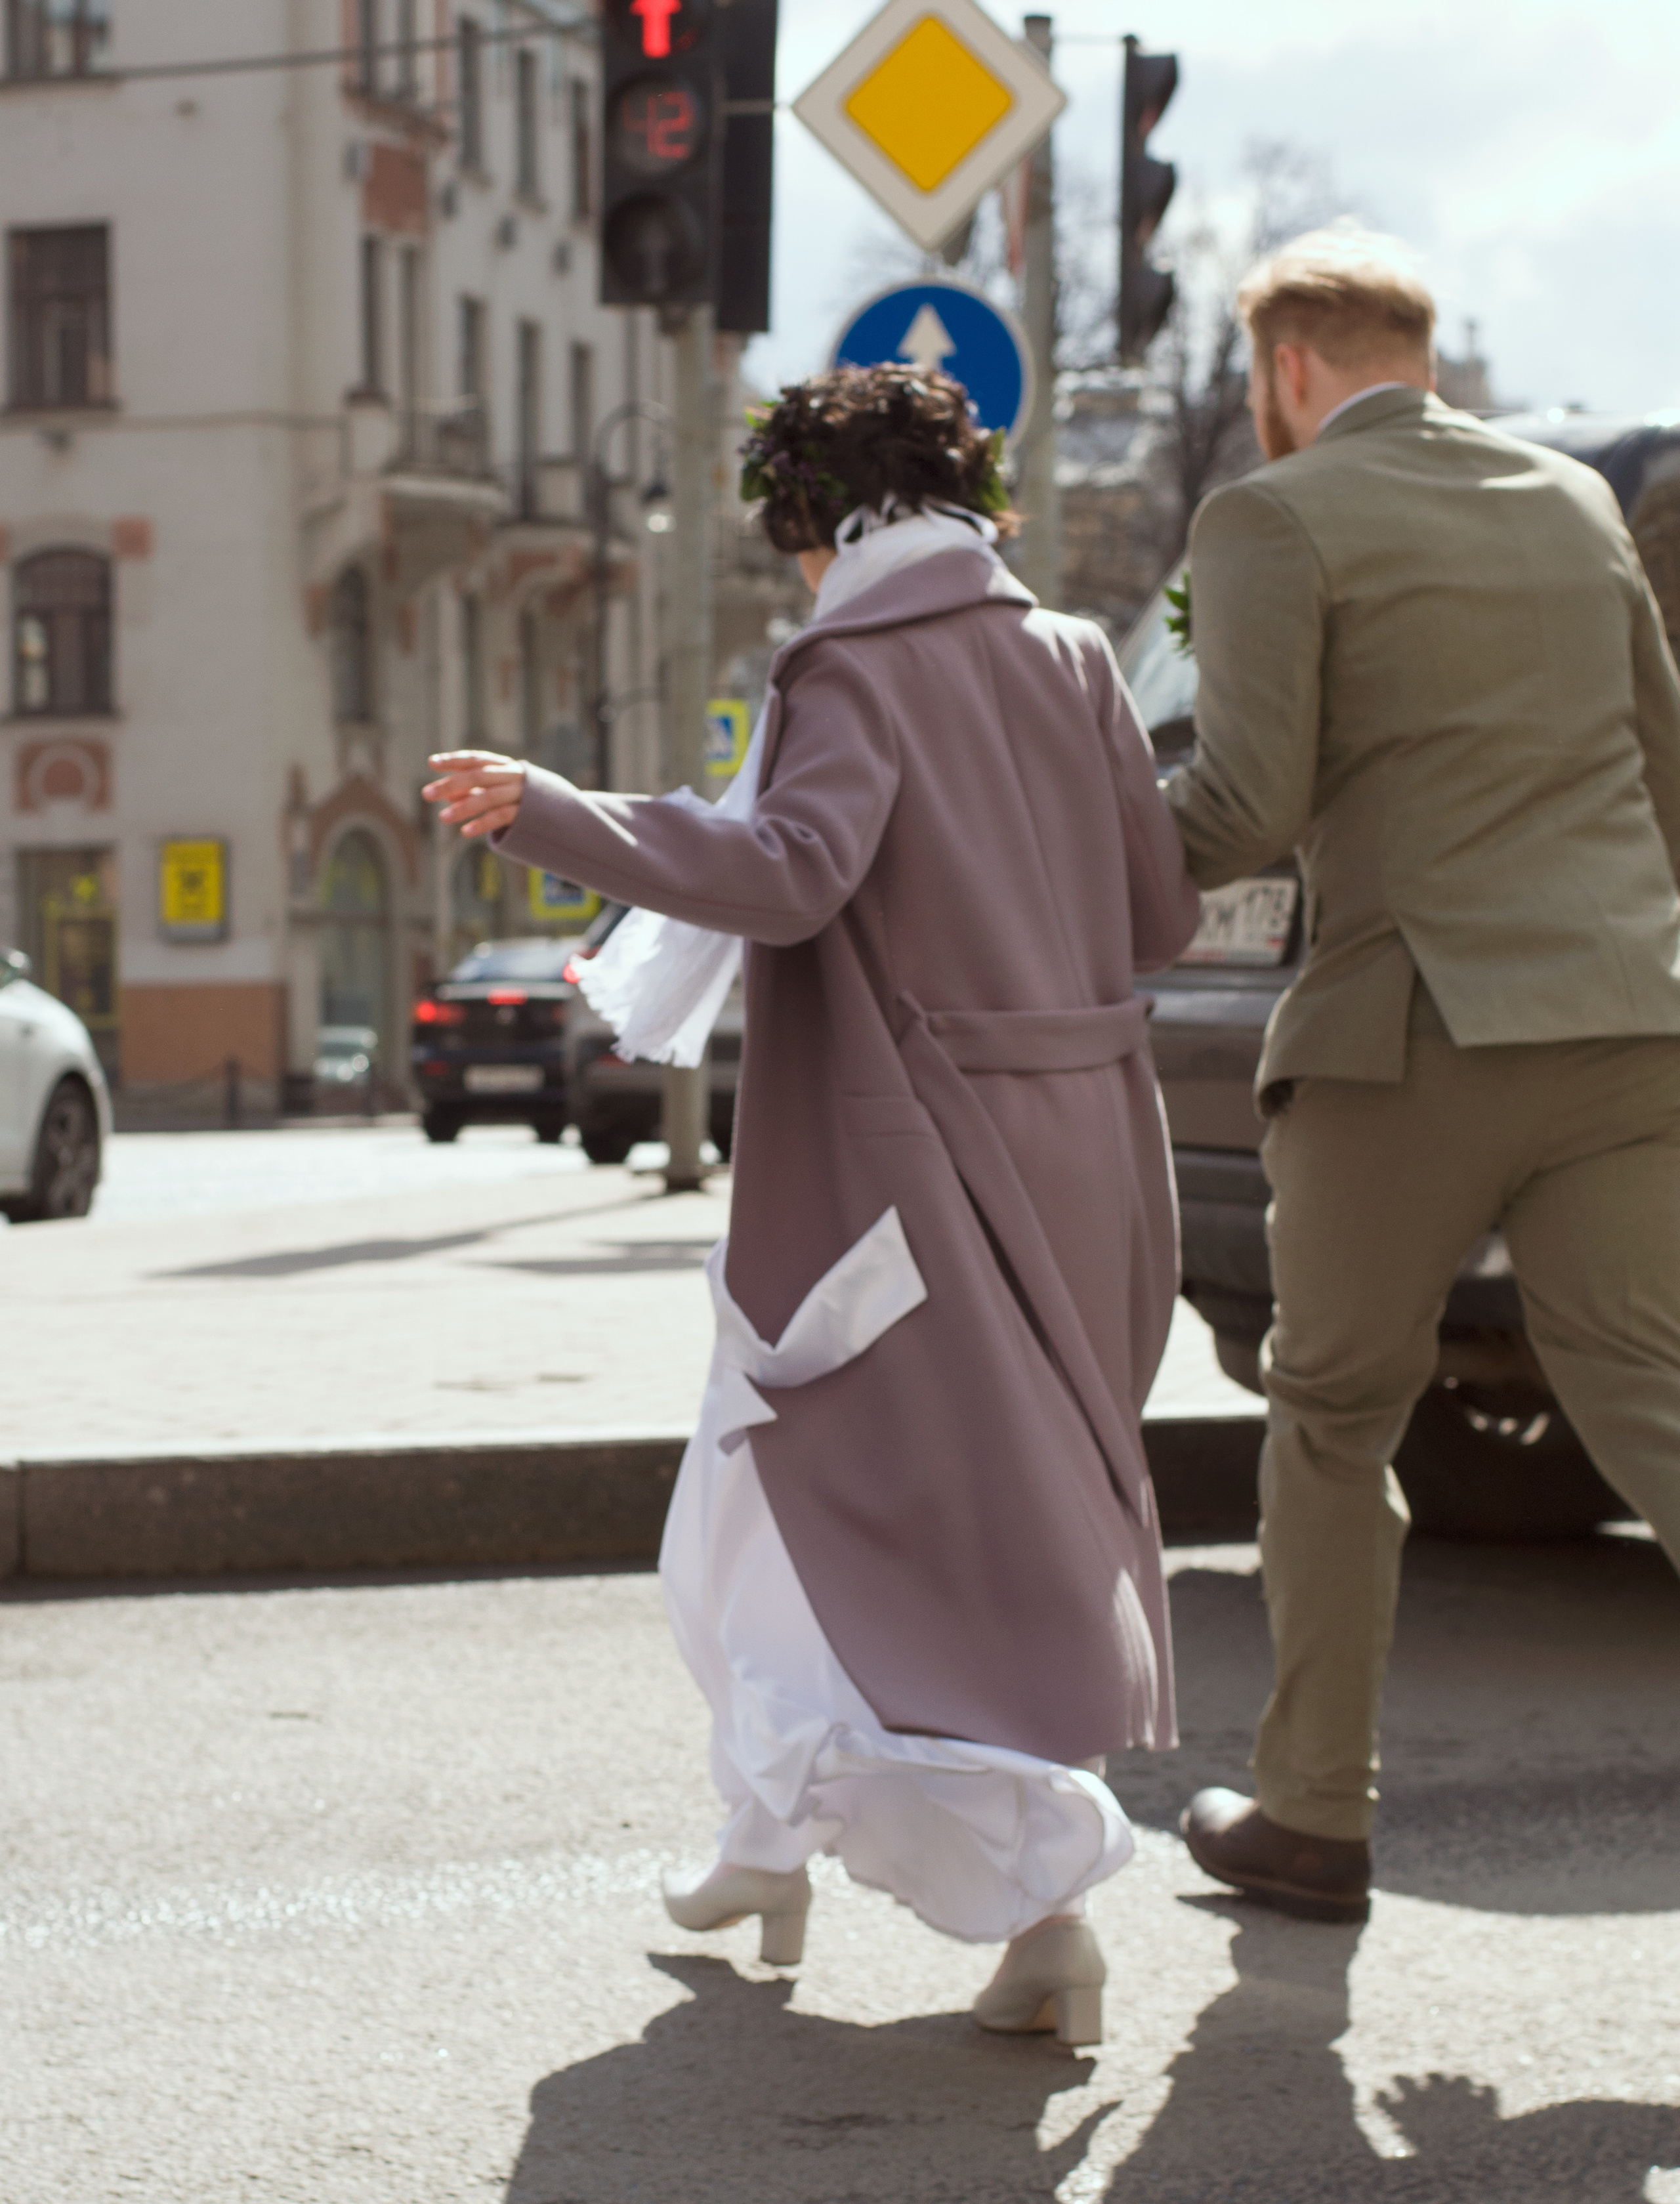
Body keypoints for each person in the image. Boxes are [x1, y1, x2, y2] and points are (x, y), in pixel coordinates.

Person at [426, 364, 1199, 2040]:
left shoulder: (848, 663)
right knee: (988, 1528)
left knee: (794, 1494)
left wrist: (564, 814)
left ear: (821, 527)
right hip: (1086, 1156)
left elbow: (790, 870)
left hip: (905, 1173)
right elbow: (1158, 909)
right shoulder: (1073, 655)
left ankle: (1021, 1894)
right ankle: (774, 1853)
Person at [1166, 231, 1680, 1920]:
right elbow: (1665, 770)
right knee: (1648, 1398)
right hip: (1621, 1021)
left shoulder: (1274, 513)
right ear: (1417, 352)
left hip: (1408, 1035)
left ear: (1283, 372)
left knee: (1331, 1411)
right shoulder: (1571, 504)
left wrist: (1059, 852)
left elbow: (1234, 808)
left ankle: (1311, 1814)